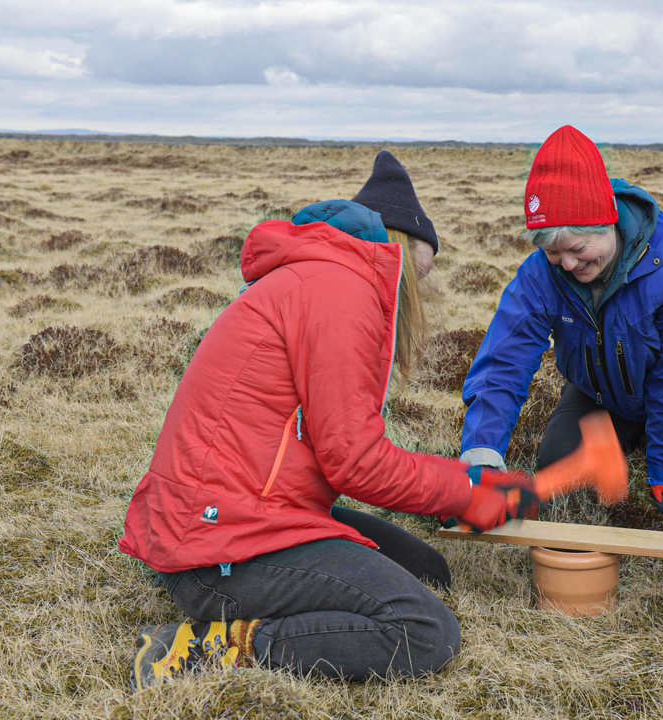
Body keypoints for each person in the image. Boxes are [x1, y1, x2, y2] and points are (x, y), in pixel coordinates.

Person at [119, 151, 537, 690]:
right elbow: (357, 464)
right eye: (423, 272)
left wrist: (459, 487)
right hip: (218, 545)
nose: (422, 291)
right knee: (425, 631)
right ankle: (209, 646)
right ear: (398, 249)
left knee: (427, 570)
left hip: (242, 516)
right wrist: (469, 491)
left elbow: (340, 449)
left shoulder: (323, 278)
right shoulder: (340, 292)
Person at [458, 125, 663, 533]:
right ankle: (629, 438)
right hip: (603, 393)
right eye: (553, 252)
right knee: (558, 463)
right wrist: (482, 456)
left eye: (578, 249)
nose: (568, 265)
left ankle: (656, 444)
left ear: (608, 222)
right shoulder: (539, 275)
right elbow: (504, 362)